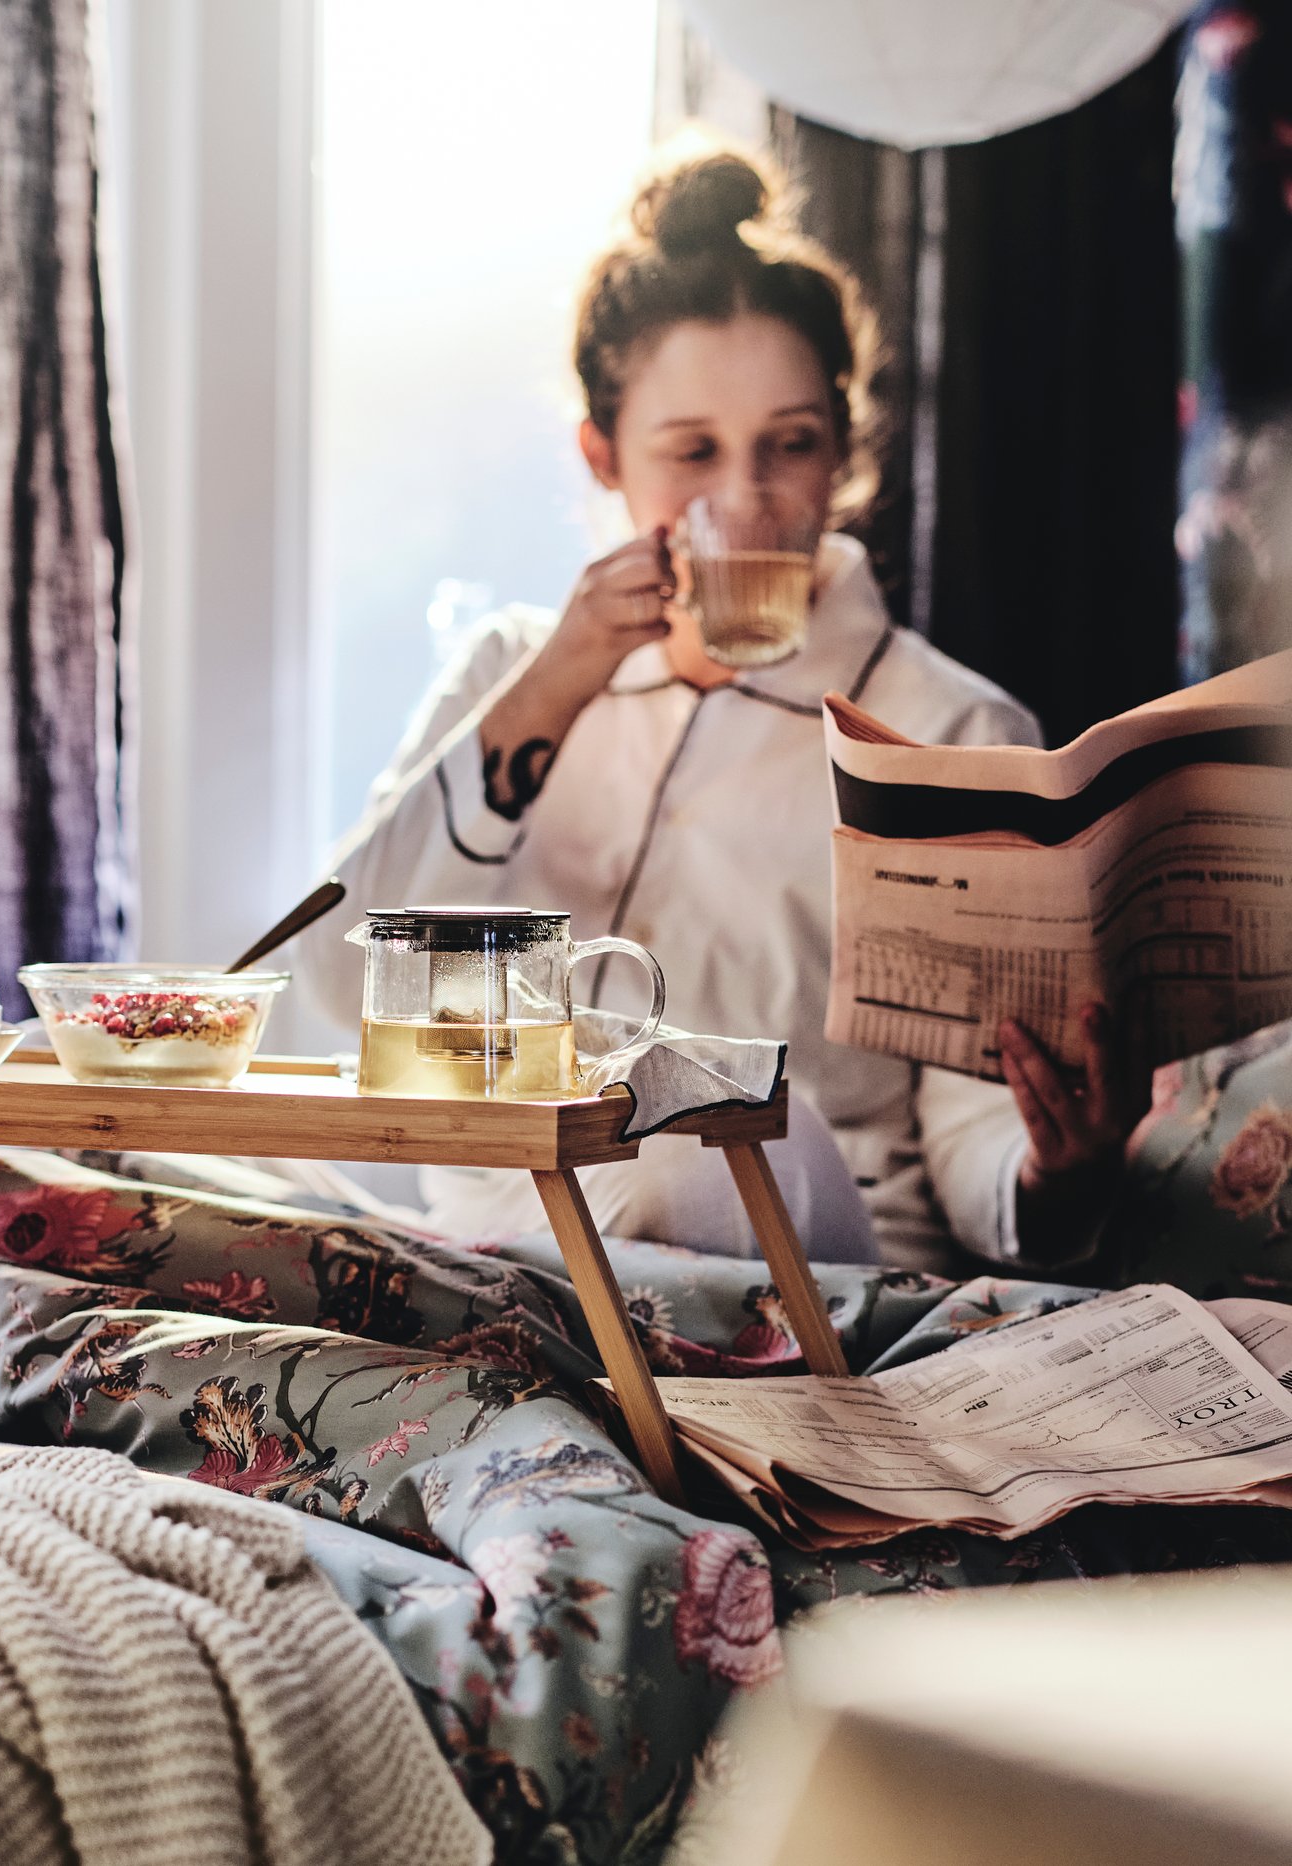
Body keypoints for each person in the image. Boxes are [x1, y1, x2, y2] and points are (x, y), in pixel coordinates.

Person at [298, 143, 1129, 1276]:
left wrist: (1052, 1170)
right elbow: (344, 991)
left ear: (841, 451)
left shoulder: (950, 730)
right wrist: (552, 687)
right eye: (692, 452)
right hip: (505, 1260)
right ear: (602, 456)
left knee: (689, 1120)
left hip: (805, 1262)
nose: (744, 503)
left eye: (787, 447)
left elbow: (971, 1135)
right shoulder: (513, 674)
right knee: (125, 1180)